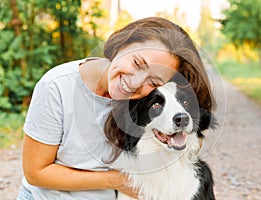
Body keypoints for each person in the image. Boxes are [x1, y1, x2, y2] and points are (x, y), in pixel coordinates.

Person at [17, 17, 216, 200]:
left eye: (153, 80)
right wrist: (117, 180)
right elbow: (36, 173)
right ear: (122, 43)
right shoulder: (56, 86)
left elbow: (190, 132)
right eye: (137, 62)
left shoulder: (146, 100)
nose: (135, 82)